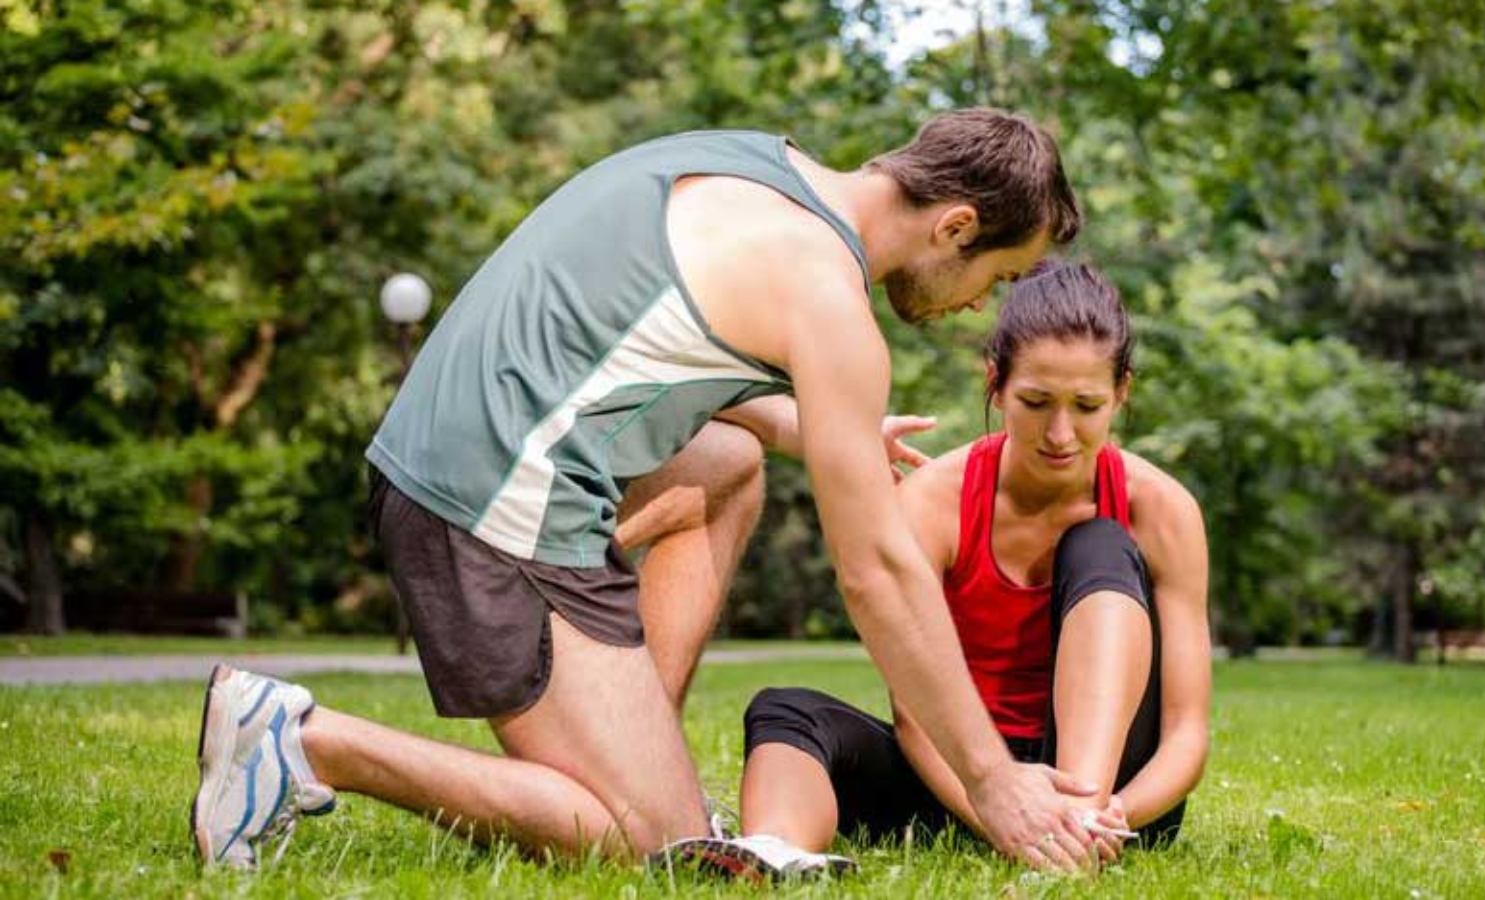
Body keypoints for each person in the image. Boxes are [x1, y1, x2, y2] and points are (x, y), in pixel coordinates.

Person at [190, 109, 1103, 873]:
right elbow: (876, 573)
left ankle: (636, 753)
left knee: (728, 466)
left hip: (445, 457)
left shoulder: (752, 163)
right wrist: (992, 780)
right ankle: (302, 741)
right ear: (954, 227)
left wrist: (794, 424)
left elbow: (622, 332)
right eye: (1001, 275)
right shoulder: (828, 297)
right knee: (648, 846)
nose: (983, 303)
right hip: (486, 506)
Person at [729, 261, 1212, 873]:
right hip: (969, 776)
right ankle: (775, 853)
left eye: (1087, 406)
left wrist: (1102, 815)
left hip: (1112, 786)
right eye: (1036, 402)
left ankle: (1075, 827)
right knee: (785, 709)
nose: (1060, 433)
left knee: (1100, 544)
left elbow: (1186, 733)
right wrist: (1002, 817)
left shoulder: (1161, 509)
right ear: (996, 383)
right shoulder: (932, 504)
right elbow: (915, 720)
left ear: (1121, 392)